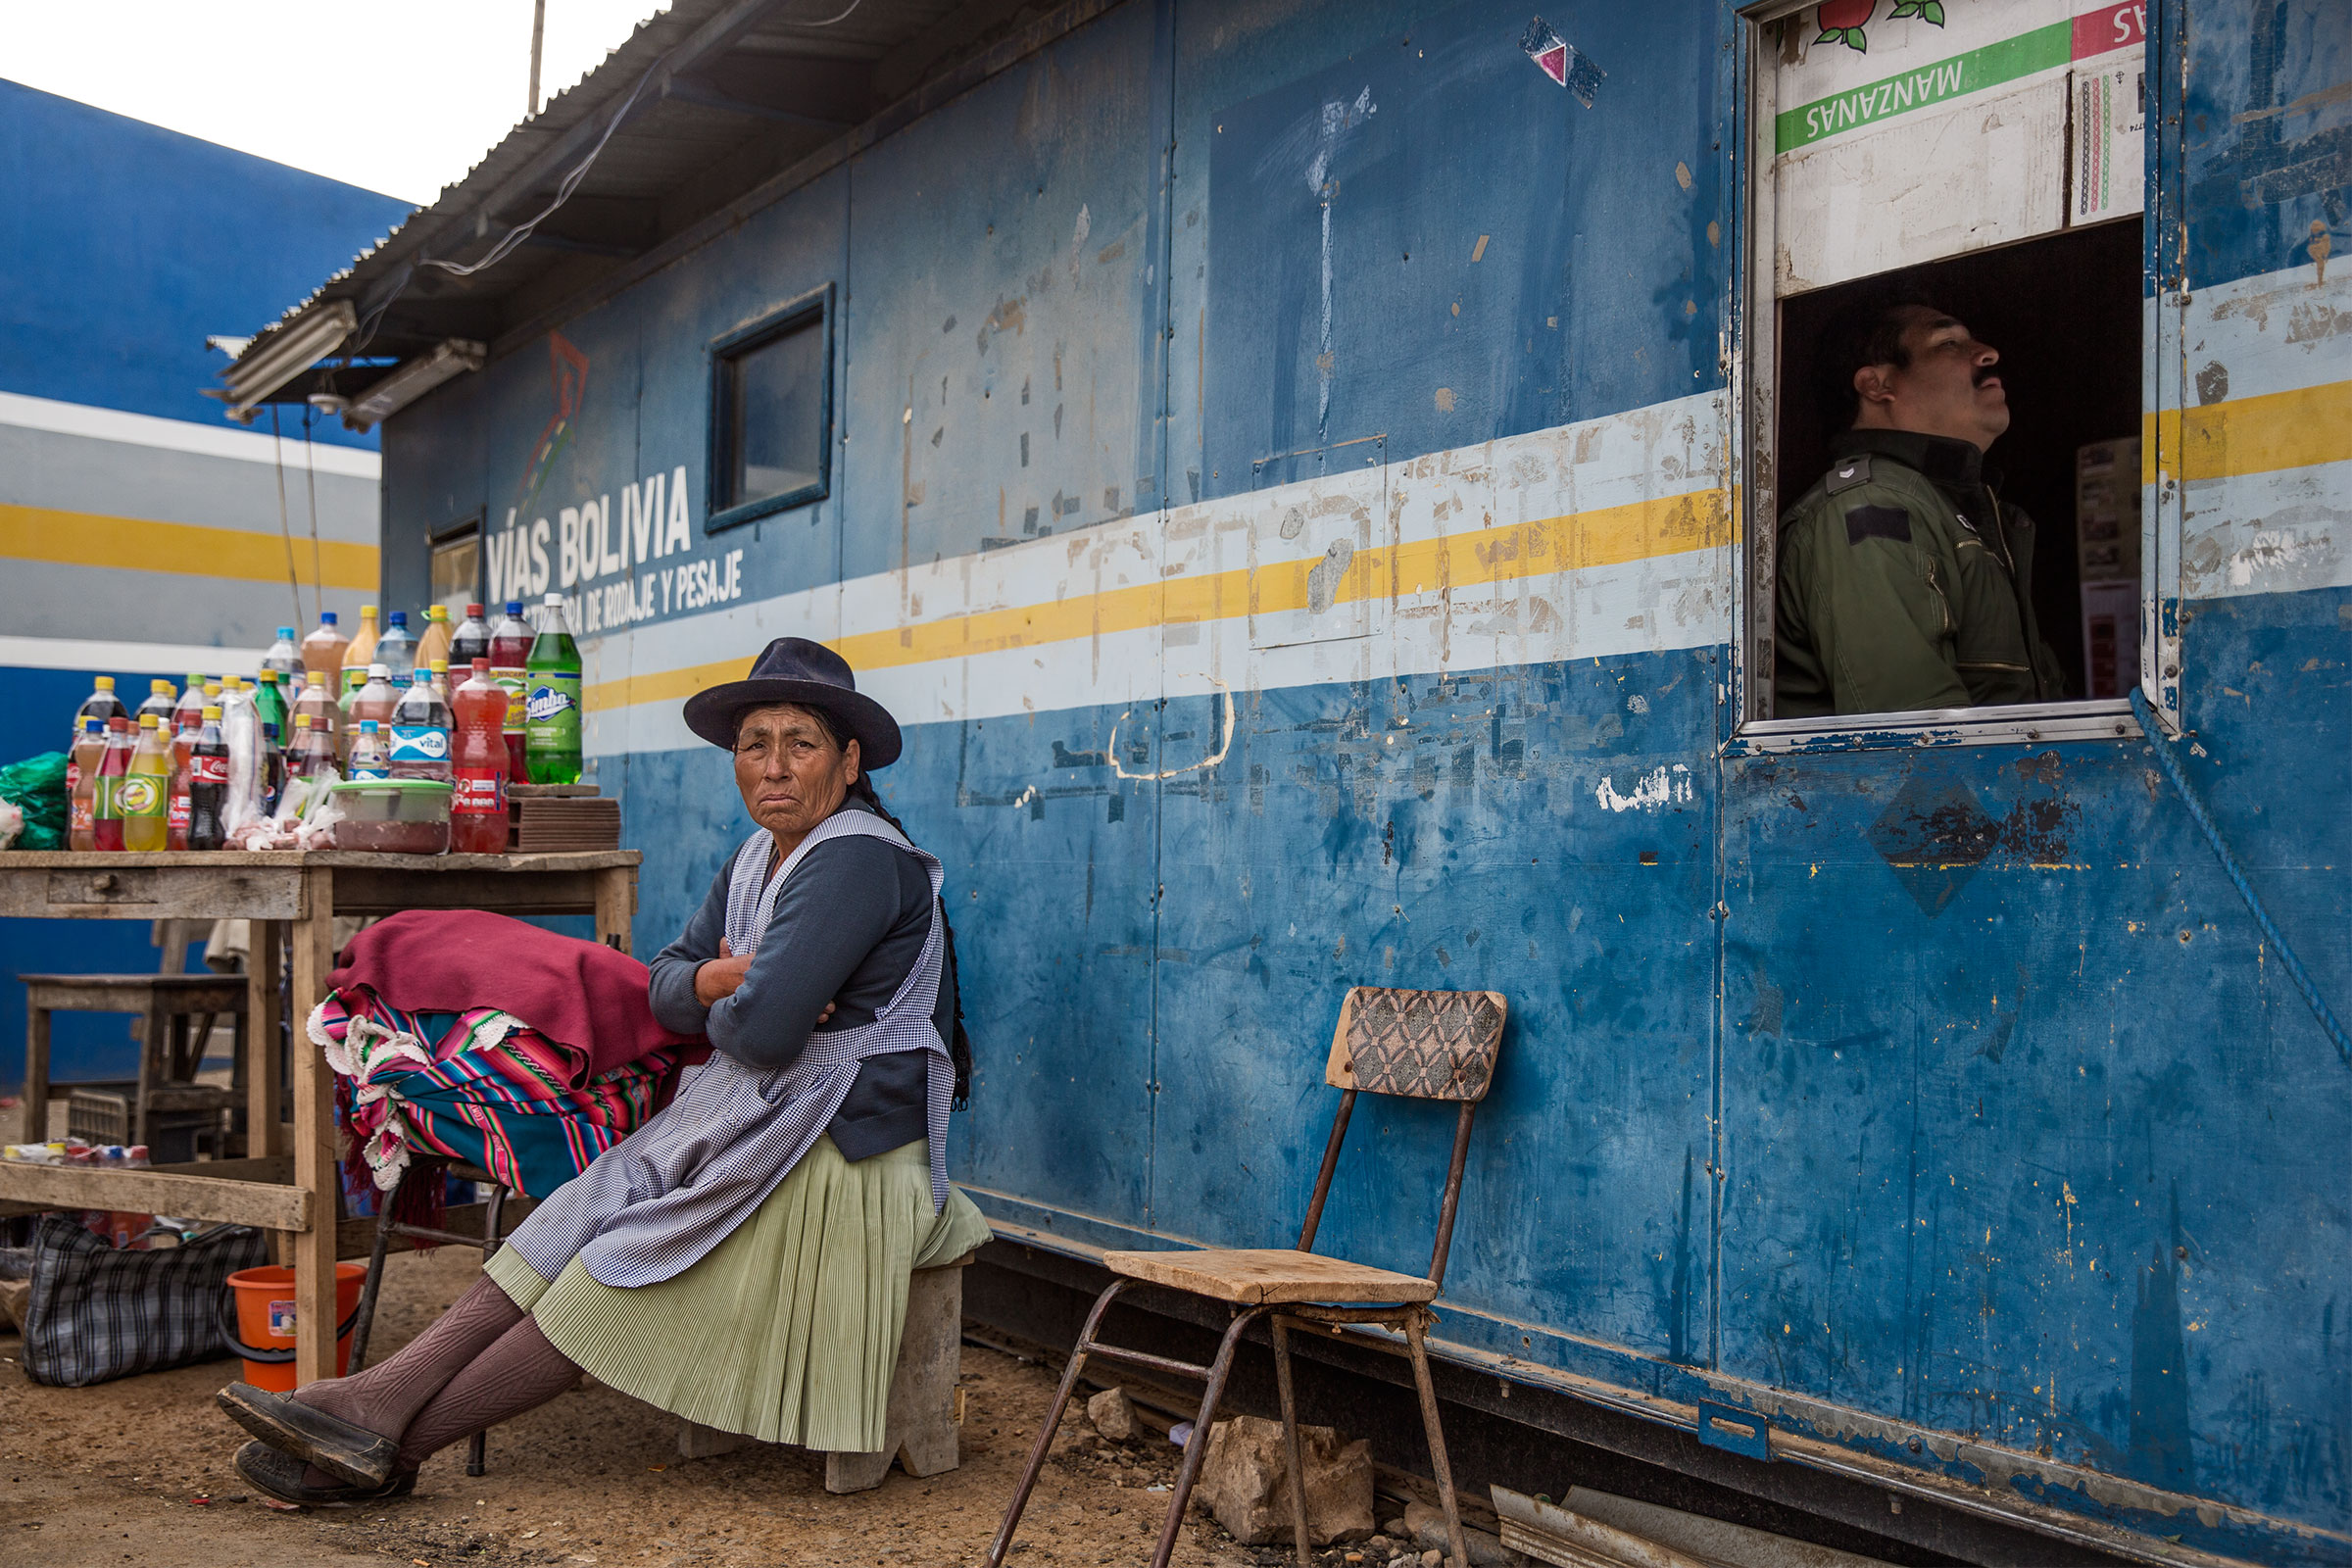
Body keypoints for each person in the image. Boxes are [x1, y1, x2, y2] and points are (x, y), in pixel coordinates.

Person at [217, 637, 993, 1503]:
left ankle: (392, 1447)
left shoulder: (857, 857)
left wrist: (740, 1005)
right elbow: (666, 987)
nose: (774, 766)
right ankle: (376, 1400)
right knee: (576, 1211)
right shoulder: (756, 860)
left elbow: (767, 1037)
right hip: (754, 1116)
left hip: (842, 1147)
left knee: (616, 1264)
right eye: (754, 745)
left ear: (848, 762)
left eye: (800, 744)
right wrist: (723, 983)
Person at [1774, 296, 2066, 717]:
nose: (1988, 354)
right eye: (1948, 343)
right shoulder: (1870, 508)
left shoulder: (1954, 509)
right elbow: (1918, 741)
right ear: (1877, 386)